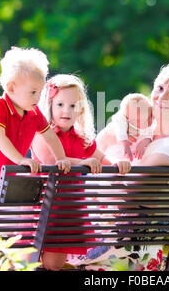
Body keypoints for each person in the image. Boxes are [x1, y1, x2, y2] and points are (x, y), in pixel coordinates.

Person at [67, 62, 169, 271]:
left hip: (130, 250)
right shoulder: (146, 135)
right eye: (160, 88)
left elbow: (126, 194)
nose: (161, 97)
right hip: (121, 241)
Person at [0, 47, 71, 271]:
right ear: (11, 87)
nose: (37, 98)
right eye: (32, 92)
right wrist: (21, 158)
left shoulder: (34, 114)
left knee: (2, 222)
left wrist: (62, 158)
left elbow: (49, 135)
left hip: (4, 179)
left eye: (40, 93)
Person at [30, 73, 131, 270]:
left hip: (69, 209)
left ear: (81, 110)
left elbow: (102, 158)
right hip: (47, 208)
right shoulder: (43, 135)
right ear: (49, 106)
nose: (66, 110)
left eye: (72, 106)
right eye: (60, 105)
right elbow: (53, 161)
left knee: (55, 264)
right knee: (40, 261)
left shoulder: (81, 138)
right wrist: (85, 162)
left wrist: (118, 163)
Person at [96, 93, 154, 162]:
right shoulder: (121, 119)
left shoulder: (151, 119)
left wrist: (147, 139)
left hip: (133, 155)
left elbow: (152, 130)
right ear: (128, 118)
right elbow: (120, 131)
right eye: (139, 120)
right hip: (113, 148)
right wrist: (125, 144)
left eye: (150, 116)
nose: (149, 122)